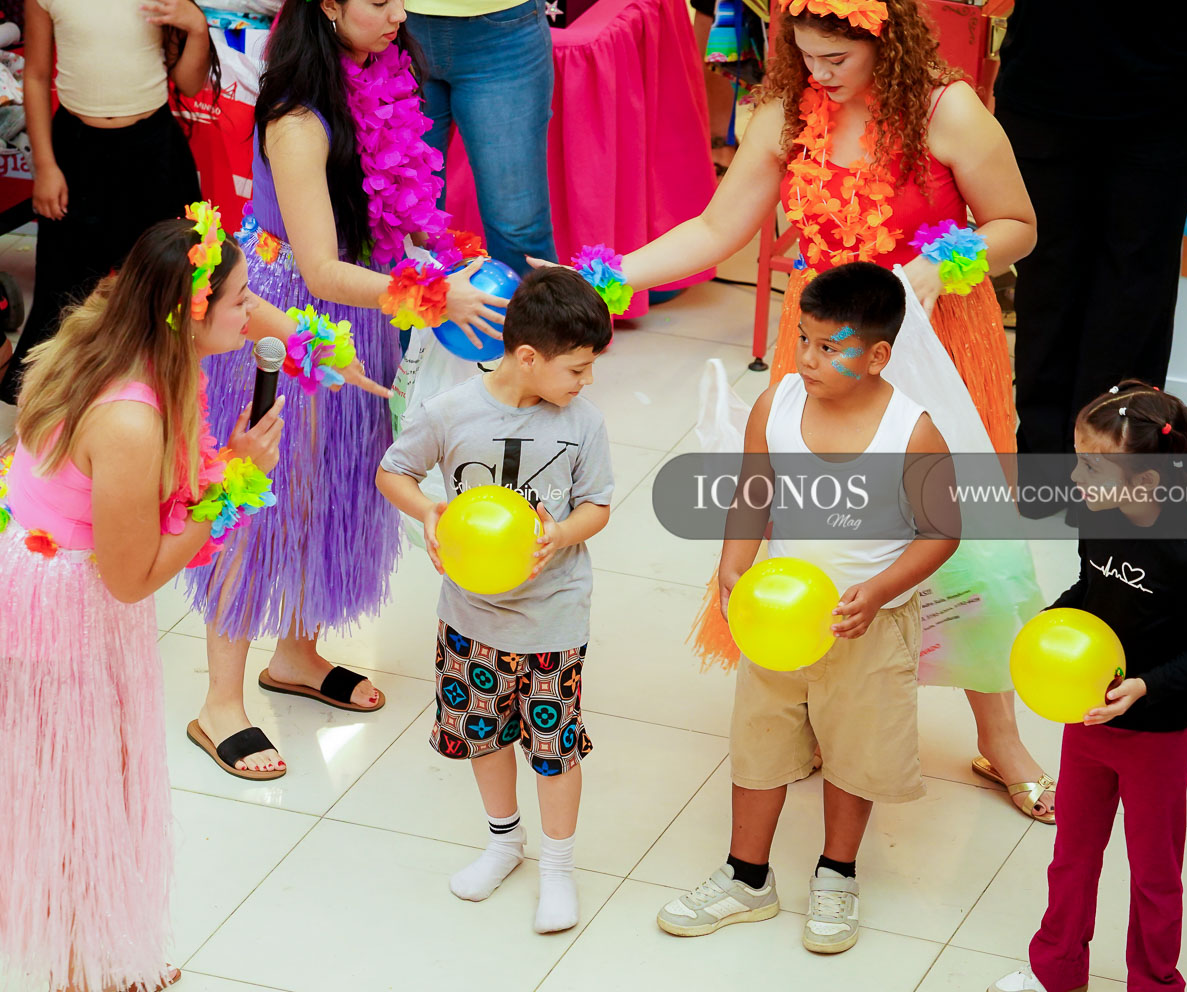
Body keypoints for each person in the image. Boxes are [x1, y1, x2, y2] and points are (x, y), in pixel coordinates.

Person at [605, 0, 1054, 822]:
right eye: (806, 55)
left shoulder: (947, 109)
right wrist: (606, 276)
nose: (818, 73)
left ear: (884, 41)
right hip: (818, 346)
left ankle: (1001, 738)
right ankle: (813, 696)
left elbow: (1018, 226)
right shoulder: (784, 110)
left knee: (961, 540)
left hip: (933, 341)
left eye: (836, 59)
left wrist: (944, 262)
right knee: (816, 524)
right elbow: (715, 228)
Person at [184, 0, 507, 778]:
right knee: (257, 499)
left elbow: (395, 213)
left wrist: (445, 259)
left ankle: (295, 655)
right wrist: (436, 295)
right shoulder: (299, 118)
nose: (398, 14)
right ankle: (219, 704)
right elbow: (321, 268)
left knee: (328, 488)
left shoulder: (377, 75)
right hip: (284, 318)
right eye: (378, 0)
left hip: (362, 308)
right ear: (328, 6)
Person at [0, 211, 284, 992]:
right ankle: (75, 975)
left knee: (97, 783)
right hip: (64, 608)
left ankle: (101, 958)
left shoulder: (116, 341)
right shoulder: (130, 418)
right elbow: (133, 577)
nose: (251, 313)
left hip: (64, 587)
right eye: (239, 300)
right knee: (72, 798)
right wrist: (232, 482)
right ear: (189, 312)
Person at [656, 263, 959, 953]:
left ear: (878, 356)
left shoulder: (911, 431)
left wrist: (877, 592)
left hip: (868, 627)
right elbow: (753, 492)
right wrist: (733, 564)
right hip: (779, 620)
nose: (808, 358)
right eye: (802, 339)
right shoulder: (777, 404)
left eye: (830, 347)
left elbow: (943, 531)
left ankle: (837, 872)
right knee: (759, 740)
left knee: (855, 752)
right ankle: (746, 876)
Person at [376, 266, 614, 933]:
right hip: (470, 615)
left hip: (552, 616)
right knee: (484, 732)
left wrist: (561, 533)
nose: (587, 380)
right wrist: (428, 510)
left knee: (554, 747)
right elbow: (393, 472)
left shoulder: (584, 422)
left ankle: (558, 867)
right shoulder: (449, 412)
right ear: (528, 357)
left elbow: (597, 504)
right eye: (578, 368)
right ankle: (504, 842)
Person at [990, 381, 1187, 992]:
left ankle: (1154, 982)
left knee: (1154, 873)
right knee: (1072, 857)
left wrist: (1146, 685)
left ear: (1145, 481)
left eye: (1092, 466)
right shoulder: (1095, 514)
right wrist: (1054, 618)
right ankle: (1057, 969)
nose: (1076, 476)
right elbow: (1091, 589)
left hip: (1157, 737)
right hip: (1089, 721)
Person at [994, 0, 1187, 516]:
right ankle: (1043, 468)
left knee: (1135, 296)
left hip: (1158, 115)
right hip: (1040, 103)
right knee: (1046, 286)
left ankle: (1112, 473)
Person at [0, 0, 219, 427]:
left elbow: (190, 83)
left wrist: (197, 26)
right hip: (77, 155)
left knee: (166, 289)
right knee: (64, 292)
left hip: (154, 155)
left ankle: (161, 408)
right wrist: (44, 166)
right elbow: (37, 75)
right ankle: (53, 420)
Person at [403, 0, 556, 274]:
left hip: (501, 27)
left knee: (519, 230)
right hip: (394, 24)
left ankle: (535, 304)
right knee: (403, 223)